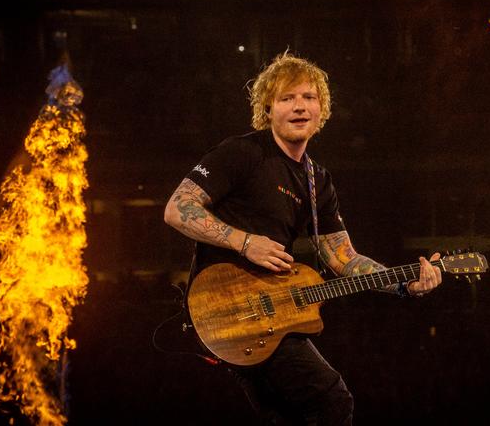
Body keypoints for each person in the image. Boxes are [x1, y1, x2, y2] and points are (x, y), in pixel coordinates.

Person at [164, 52, 442, 425]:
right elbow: (177, 208)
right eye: (287, 98)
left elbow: (342, 257)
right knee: (332, 401)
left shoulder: (317, 180)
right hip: (225, 307)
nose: (299, 106)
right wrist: (246, 242)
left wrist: (402, 282)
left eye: (309, 98)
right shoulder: (242, 153)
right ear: (268, 108)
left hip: (271, 319)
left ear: (322, 109)